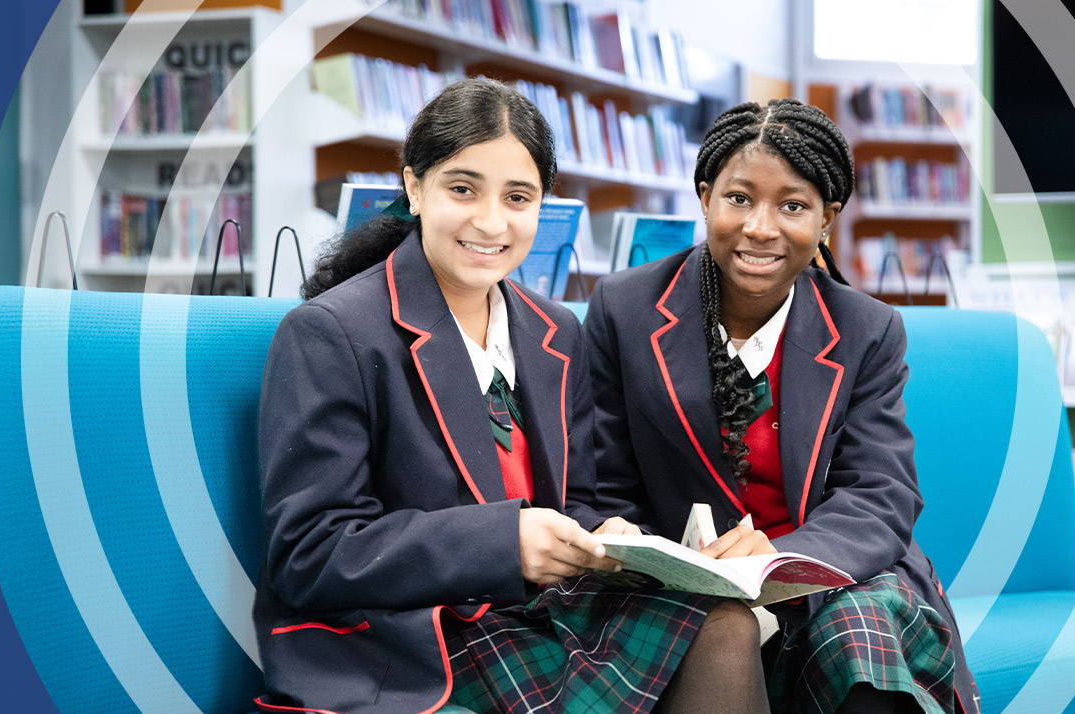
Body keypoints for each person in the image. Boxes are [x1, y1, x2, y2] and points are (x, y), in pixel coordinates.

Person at [254, 78, 767, 714]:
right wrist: (505, 543)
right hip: (410, 634)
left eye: (518, 197)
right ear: (414, 187)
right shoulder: (331, 334)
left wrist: (608, 538)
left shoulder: (555, 330)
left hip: (530, 611)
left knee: (724, 622)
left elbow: (575, 497)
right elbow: (310, 554)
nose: (491, 222)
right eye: (462, 188)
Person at [582, 98, 980, 714]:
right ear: (706, 195)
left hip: (826, 572)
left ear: (827, 219)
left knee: (861, 646)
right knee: (711, 634)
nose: (761, 227)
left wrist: (779, 556)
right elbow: (599, 478)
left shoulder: (866, 329)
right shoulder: (624, 308)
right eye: (739, 198)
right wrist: (634, 547)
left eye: (792, 206)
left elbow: (881, 494)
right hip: (677, 582)